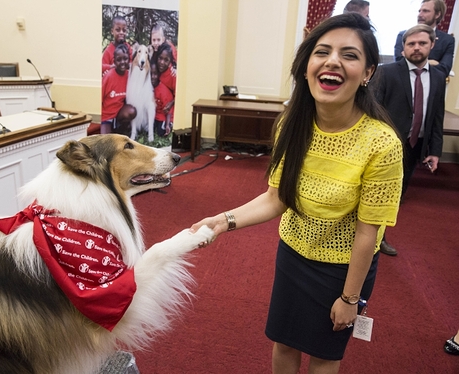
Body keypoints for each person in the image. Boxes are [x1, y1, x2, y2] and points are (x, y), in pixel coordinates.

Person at [191, 13, 403, 374]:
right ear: (307, 66)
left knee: (324, 354)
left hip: (343, 269)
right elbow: (278, 197)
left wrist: (350, 298)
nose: (333, 61)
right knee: (284, 341)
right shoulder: (292, 123)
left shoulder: (381, 144)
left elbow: (369, 232)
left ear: (368, 73)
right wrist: (223, 221)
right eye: (322, 51)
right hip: (293, 253)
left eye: (349, 55)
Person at [372, 24, 446, 256]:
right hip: (387, 146)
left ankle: (378, 236)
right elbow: (373, 111)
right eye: (410, 44)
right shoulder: (387, 72)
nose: (416, 48)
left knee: (396, 196)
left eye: (422, 43)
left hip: (415, 147)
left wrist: (435, 151)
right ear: (403, 47)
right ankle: (370, 236)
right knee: (377, 194)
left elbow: (436, 115)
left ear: (432, 45)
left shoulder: (438, 76)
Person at [394, 0, 455, 76]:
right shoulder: (403, 35)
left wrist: (411, 60)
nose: (420, 15)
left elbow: (444, 69)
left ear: (437, 14)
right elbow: (399, 62)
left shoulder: (447, 40)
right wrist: (430, 62)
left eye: (425, 11)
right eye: (419, 11)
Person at [101, 44, 136, 135]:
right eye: (119, 59)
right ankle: (110, 128)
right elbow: (99, 99)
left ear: (129, 59)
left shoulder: (129, 76)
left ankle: (120, 126)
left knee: (131, 111)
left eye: (125, 59)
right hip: (106, 117)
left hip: (118, 115)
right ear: (114, 61)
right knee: (106, 142)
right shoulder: (108, 76)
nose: (122, 62)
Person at [150, 63, 174, 137]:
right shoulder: (149, 86)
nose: (152, 77)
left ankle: (170, 124)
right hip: (155, 115)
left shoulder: (163, 91)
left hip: (164, 115)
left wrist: (167, 124)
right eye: (150, 74)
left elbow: (168, 110)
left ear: (159, 75)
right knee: (149, 129)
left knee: (161, 132)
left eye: (155, 74)